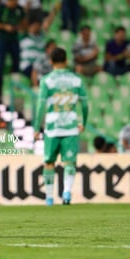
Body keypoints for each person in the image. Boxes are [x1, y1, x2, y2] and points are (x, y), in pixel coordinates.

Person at [34, 47, 88, 206]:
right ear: (66, 61)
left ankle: (49, 198)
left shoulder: (47, 80)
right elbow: (85, 104)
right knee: (69, 162)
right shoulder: (76, 80)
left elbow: (40, 106)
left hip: (52, 126)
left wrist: (37, 127)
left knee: (49, 162)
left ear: (51, 61)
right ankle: (66, 193)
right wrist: (83, 122)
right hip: (71, 125)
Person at [0, 0, 26, 101]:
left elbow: (24, 22)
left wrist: (18, 27)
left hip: (14, 40)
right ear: (7, 0)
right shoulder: (0, 8)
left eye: (15, 0)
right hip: (2, 39)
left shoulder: (19, 9)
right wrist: (5, 27)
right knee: (1, 65)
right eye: (11, 0)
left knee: (16, 64)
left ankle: (15, 88)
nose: (14, 3)